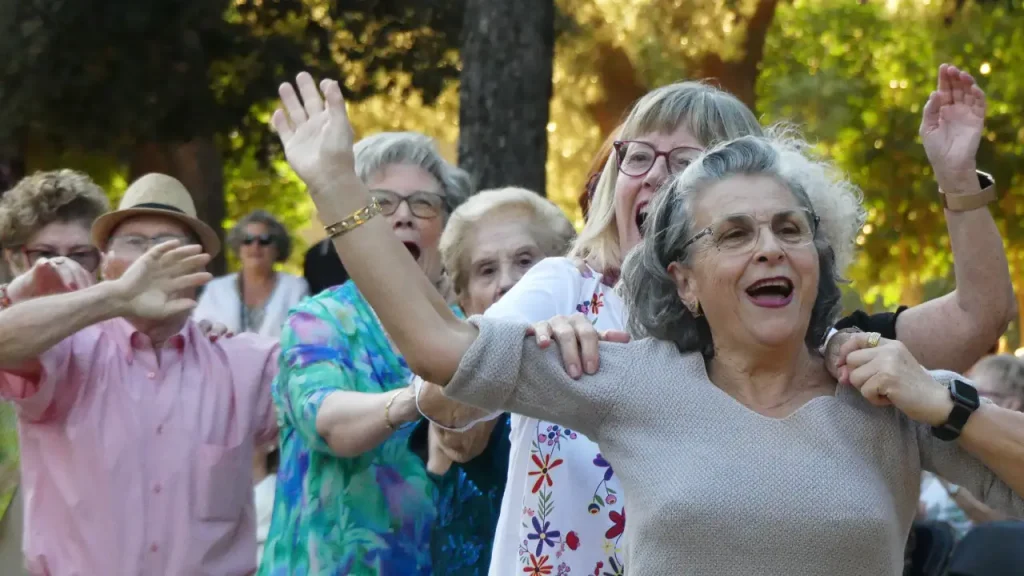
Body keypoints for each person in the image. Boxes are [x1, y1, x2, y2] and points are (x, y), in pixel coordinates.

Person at [271, 75, 1024, 573]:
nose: (769, 247)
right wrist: (337, 184)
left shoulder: (883, 385)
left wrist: (947, 405)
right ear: (684, 282)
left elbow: (976, 321)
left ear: (819, 261)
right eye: (733, 234)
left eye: (791, 230)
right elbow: (436, 346)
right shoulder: (622, 372)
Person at [0, 173, 279, 575]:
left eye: (171, 245)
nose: (153, 258)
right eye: (134, 243)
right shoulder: (66, 352)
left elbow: (342, 398)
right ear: (106, 265)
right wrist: (117, 297)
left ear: (201, 266)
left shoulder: (245, 363)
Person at [259, 131, 470, 574]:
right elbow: (328, 424)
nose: (405, 216)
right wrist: (416, 401)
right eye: (382, 203)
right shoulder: (318, 319)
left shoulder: (468, 330)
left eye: (425, 204)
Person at [409, 187, 576, 575]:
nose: (507, 282)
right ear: (465, 299)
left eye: (525, 261)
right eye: (486, 270)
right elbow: (461, 435)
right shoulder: (454, 383)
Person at [920, 353, 1024, 536]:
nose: (958, 399)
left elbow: (1001, 523)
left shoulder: (1009, 463)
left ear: (1011, 403)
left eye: (973, 393)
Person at [194, 209, 308, 337]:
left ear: (277, 248)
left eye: (265, 240)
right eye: (247, 240)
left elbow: (305, 334)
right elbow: (199, 332)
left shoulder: (295, 286)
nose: (255, 246)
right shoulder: (216, 288)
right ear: (238, 247)